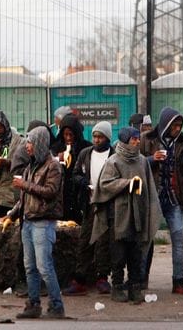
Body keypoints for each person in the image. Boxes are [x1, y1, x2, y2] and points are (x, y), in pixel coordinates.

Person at [91, 126, 161, 304]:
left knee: (136, 253)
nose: (137, 142)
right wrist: (126, 184)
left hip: (138, 213)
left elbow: (148, 185)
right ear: (124, 141)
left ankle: (135, 288)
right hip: (118, 215)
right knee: (118, 254)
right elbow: (105, 184)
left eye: (138, 139)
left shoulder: (142, 161)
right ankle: (117, 287)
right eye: (133, 139)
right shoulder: (114, 161)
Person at [2, 126, 65, 319]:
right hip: (28, 221)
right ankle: (33, 304)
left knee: (44, 266)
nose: (27, 146)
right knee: (29, 266)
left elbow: (50, 192)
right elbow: (23, 200)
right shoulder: (31, 167)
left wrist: (25, 185)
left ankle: (56, 305)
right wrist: (11, 215)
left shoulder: (53, 166)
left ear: (39, 143)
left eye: (29, 142)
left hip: (43, 222)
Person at [139, 106, 183, 294]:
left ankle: (178, 281)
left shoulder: (182, 143)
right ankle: (139, 279)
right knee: (146, 239)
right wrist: (152, 159)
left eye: (179, 125)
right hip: (152, 196)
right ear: (165, 124)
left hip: (173, 197)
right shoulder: (147, 139)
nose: (177, 129)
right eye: (174, 125)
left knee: (178, 238)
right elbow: (136, 163)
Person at [63, 121, 115, 296]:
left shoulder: (113, 156)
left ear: (107, 138)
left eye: (100, 137)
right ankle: (80, 279)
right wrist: (85, 184)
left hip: (106, 206)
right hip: (89, 204)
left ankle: (102, 278)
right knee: (85, 242)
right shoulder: (86, 154)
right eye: (95, 136)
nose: (97, 140)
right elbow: (75, 174)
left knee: (103, 244)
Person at [51, 114, 92, 223]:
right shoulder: (56, 147)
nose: (68, 138)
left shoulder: (86, 147)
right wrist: (57, 158)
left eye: (71, 135)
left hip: (80, 190)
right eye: (65, 135)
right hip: (63, 193)